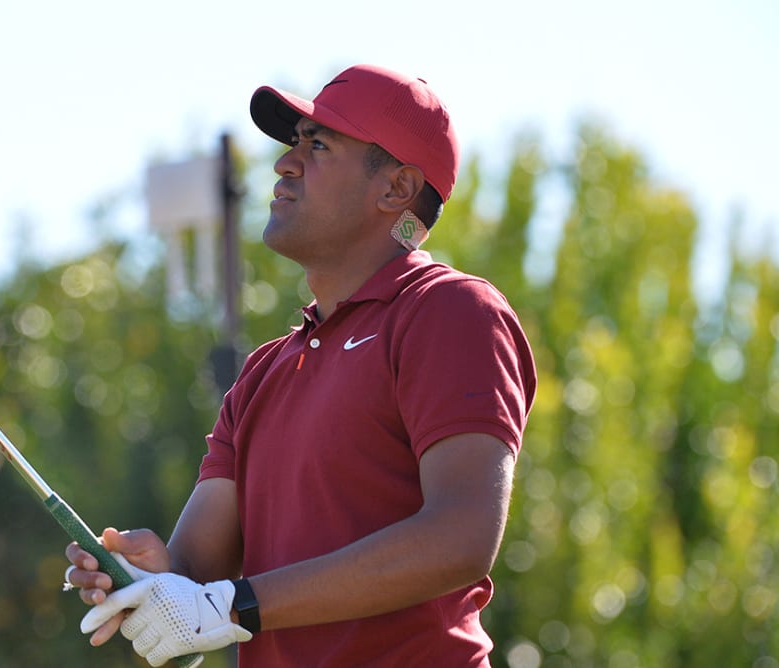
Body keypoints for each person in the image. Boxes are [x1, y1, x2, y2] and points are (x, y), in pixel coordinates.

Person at [64, 64, 537, 667]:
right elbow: (197, 573)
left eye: (318, 146)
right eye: (294, 144)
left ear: (396, 189)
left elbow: (460, 537)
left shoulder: (449, 311)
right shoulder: (263, 373)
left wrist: (233, 605)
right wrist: (152, 576)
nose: (285, 164)